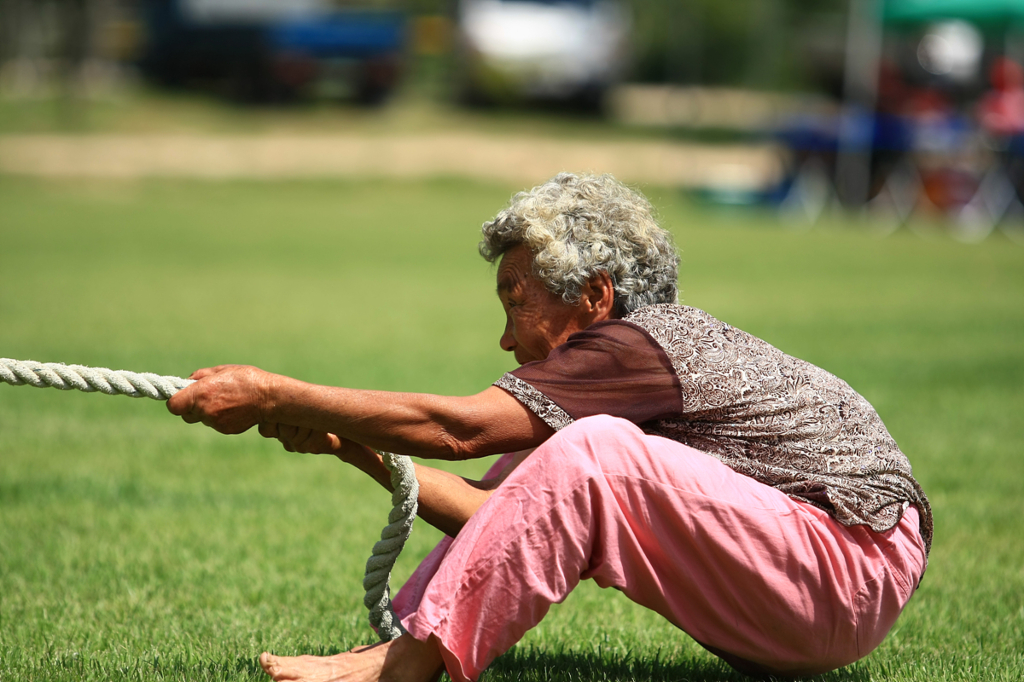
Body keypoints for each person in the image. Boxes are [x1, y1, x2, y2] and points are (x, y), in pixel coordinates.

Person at [167, 173, 932, 682]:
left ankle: (403, 666)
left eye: (517, 301)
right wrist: (348, 445)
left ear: (595, 296)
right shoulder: (610, 385)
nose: (506, 338)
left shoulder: (641, 347)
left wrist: (276, 391)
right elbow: (497, 517)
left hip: (846, 566)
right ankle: (401, 650)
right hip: (817, 593)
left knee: (593, 452)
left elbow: (458, 429)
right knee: (583, 456)